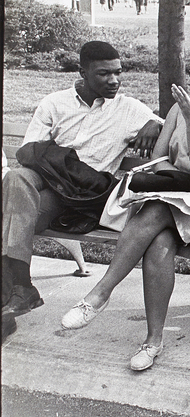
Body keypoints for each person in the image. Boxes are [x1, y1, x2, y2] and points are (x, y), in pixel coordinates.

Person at [60, 51, 190, 372]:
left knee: (155, 214)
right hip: (172, 194)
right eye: (189, 76)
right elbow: (159, 155)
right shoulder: (180, 111)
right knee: (160, 241)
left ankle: (100, 293)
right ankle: (152, 342)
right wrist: (176, 181)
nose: (188, 84)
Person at [1, 41, 162, 321]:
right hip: (48, 181)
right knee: (16, 177)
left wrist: (155, 124)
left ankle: (17, 292)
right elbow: (29, 152)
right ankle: (21, 289)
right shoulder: (55, 102)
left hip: (83, 196)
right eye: (103, 74)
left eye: (118, 72)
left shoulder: (129, 108)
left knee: (11, 218)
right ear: (82, 73)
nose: (114, 80)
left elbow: (173, 126)